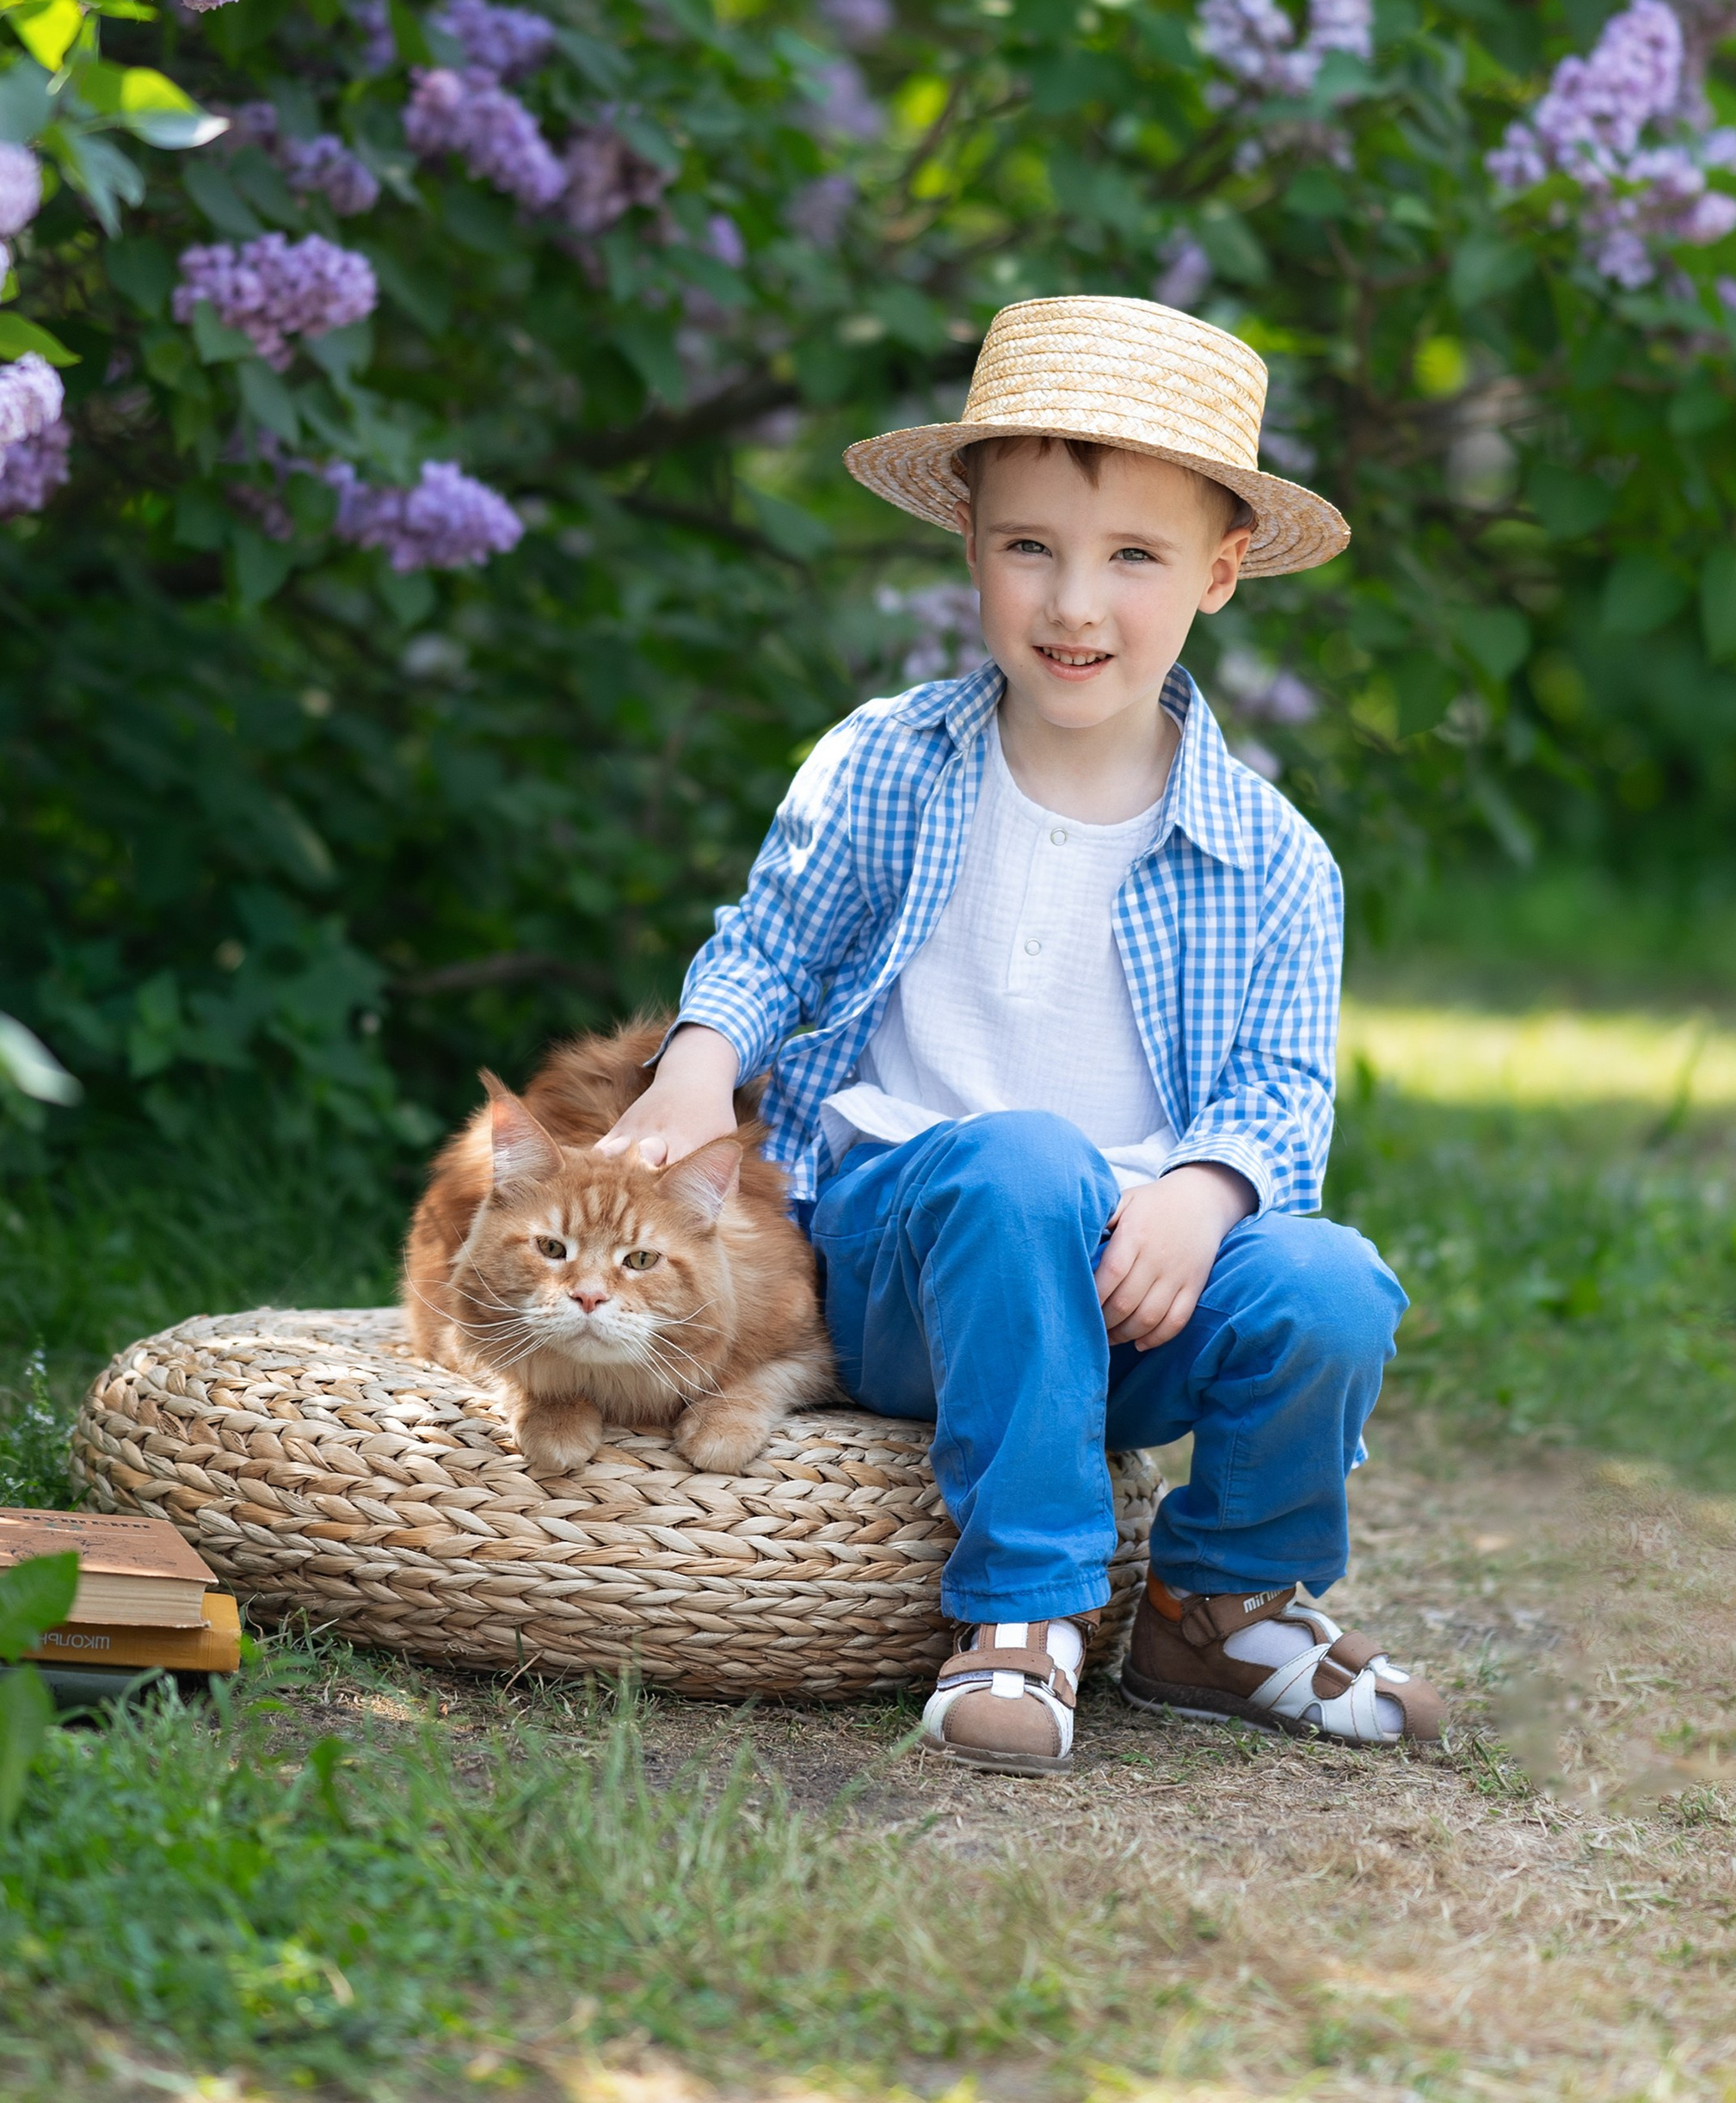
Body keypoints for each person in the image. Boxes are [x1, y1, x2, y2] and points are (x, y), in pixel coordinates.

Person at [598, 293, 1439, 1775]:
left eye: (1133, 557)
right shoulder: (887, 762)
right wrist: (698, 1060)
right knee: (1021, 1166)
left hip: (1141, 1285)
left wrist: (1208, 1191)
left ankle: (1219, 1607)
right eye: (1029, 546)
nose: (1073, 604)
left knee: (1330, 1284)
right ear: (970, 543)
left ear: (1222, 573)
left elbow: (1283, 1088)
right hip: (914, 1262)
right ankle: (1025, 1612)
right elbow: (769, 946)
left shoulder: (1276, 856)